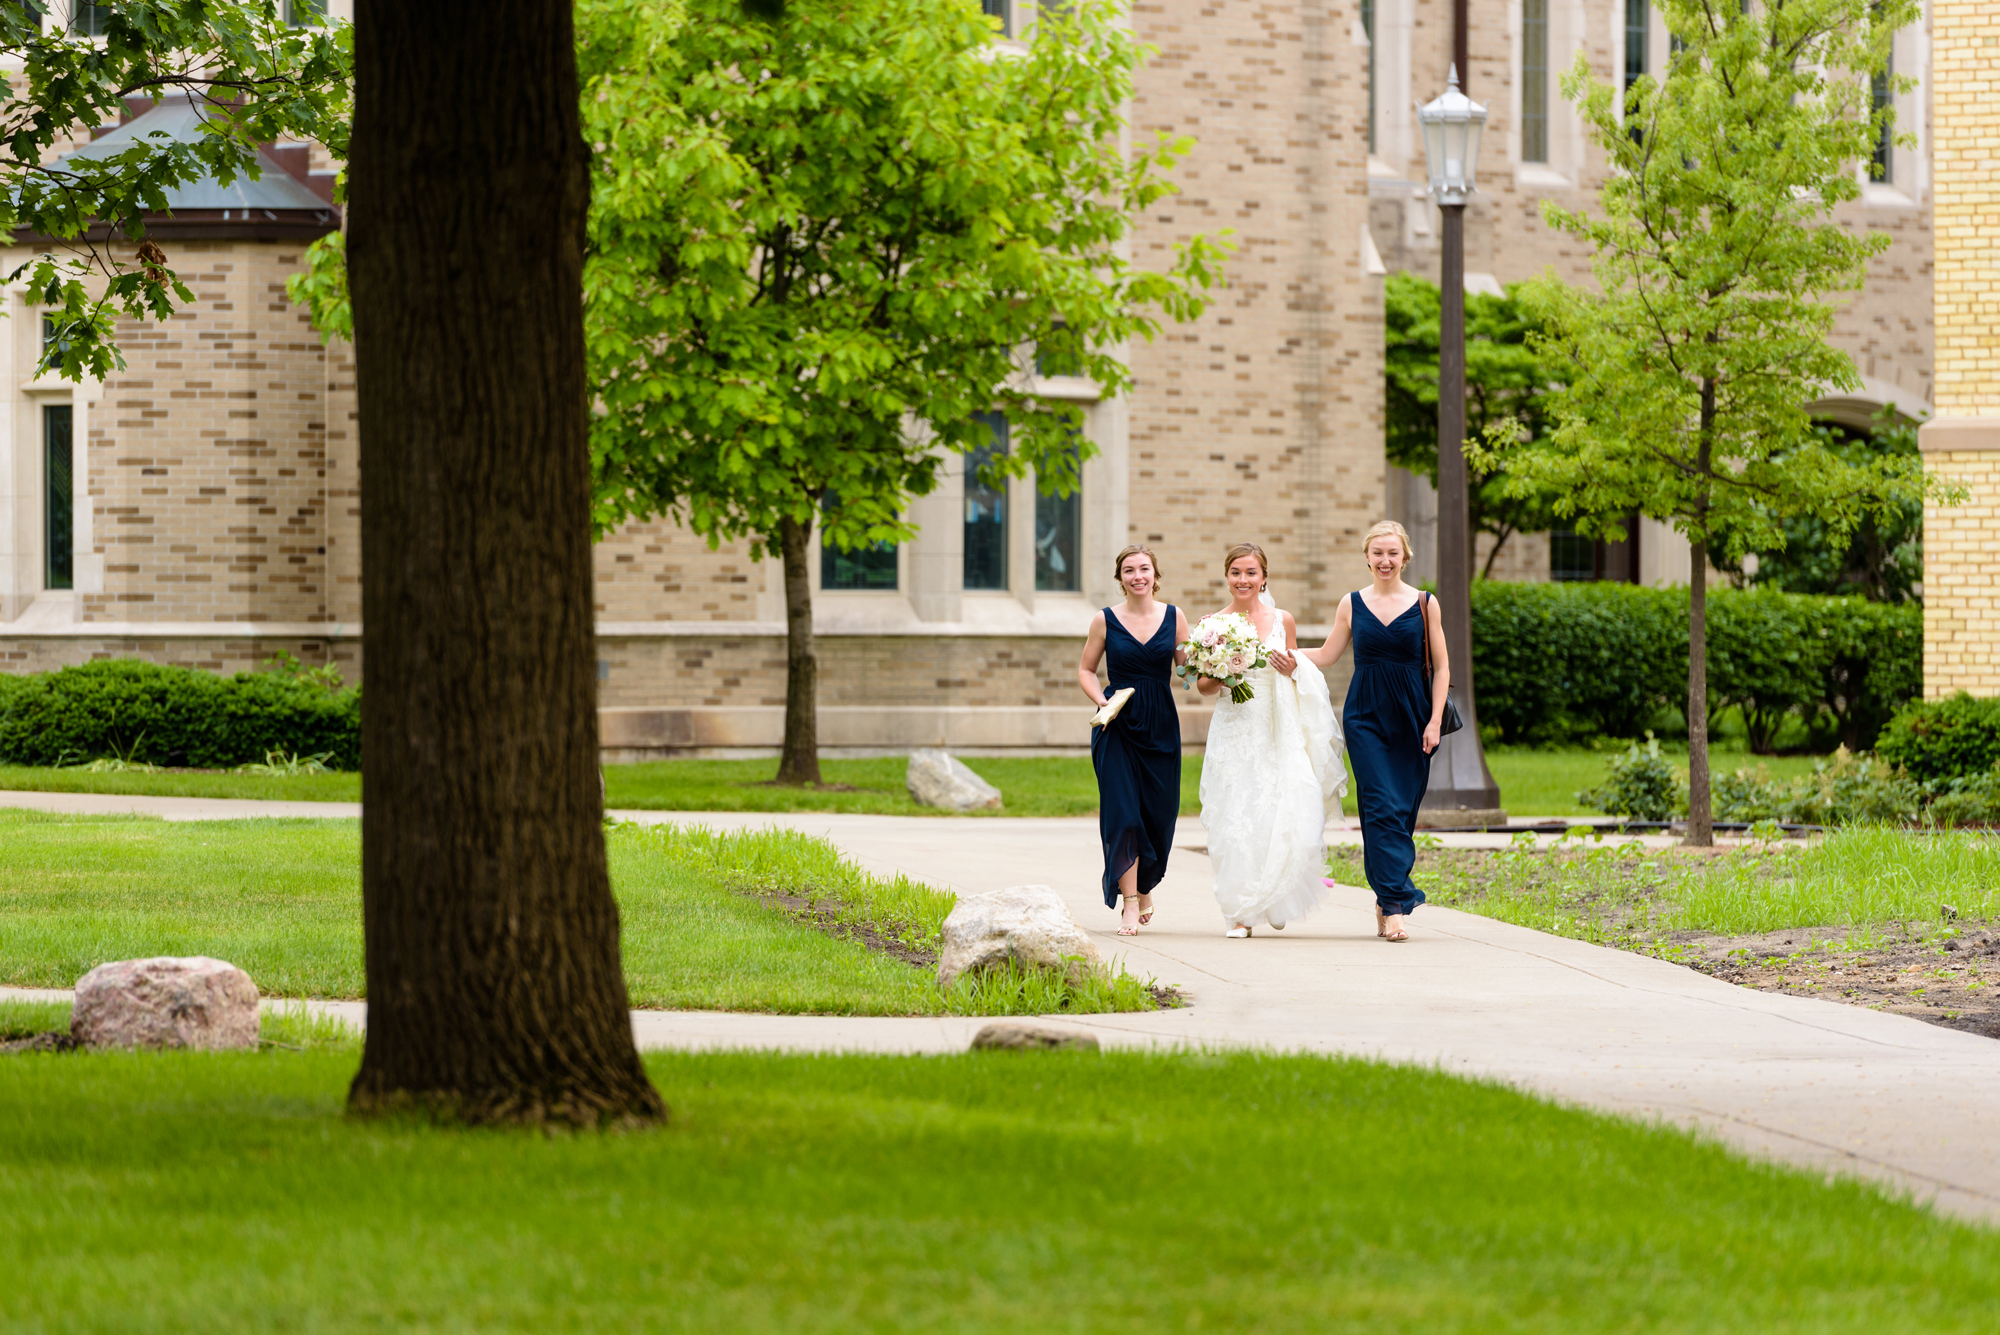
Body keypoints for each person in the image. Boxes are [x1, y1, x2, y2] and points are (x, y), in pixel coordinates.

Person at [1295, 520, 1449, 943]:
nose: (1385, 560)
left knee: (1401, 812)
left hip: (1412, 717)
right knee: (1379, 806)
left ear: (1404, 557)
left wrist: (1434, 720)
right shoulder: (1351, 603)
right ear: (1367, 557)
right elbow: (1327, 654)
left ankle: (1384, 897)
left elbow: (1442, 666)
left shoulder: (1424, 603)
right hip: (1364, 716)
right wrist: (1276, 650)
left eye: (1392, 553)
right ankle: (1396, 905)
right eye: (1377, 553)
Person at [1196, 543, 1347, 938]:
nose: (1243, 580)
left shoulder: (1284, 620)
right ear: (1226, 576)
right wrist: (1227, 670)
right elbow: (1203, 687)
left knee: (1284, 810)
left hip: (1278, 727)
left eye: (1250, 573)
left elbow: (1298, 670)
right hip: (1234, 729)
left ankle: (1274, 894)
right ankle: (1241, 913)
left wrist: (1294, 666)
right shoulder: (1212, 625)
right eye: (1236, 572)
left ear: (1264, 577)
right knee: (1236, 817)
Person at [1078, 545, 1189, 936]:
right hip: (1117, 725)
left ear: (1155, 575)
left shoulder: (1175, 617)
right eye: (1129, 570)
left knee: (1158, 815)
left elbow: (1186, 672)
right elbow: (1087, 670)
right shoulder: (1104, 620)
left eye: (1144, 569)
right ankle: (1128, 903)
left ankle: (1144, 888)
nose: (1137, 576)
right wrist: (1101, 701)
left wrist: (1217, 662)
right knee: (1123, 813)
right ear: (1120, 578)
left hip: (1160, 725)